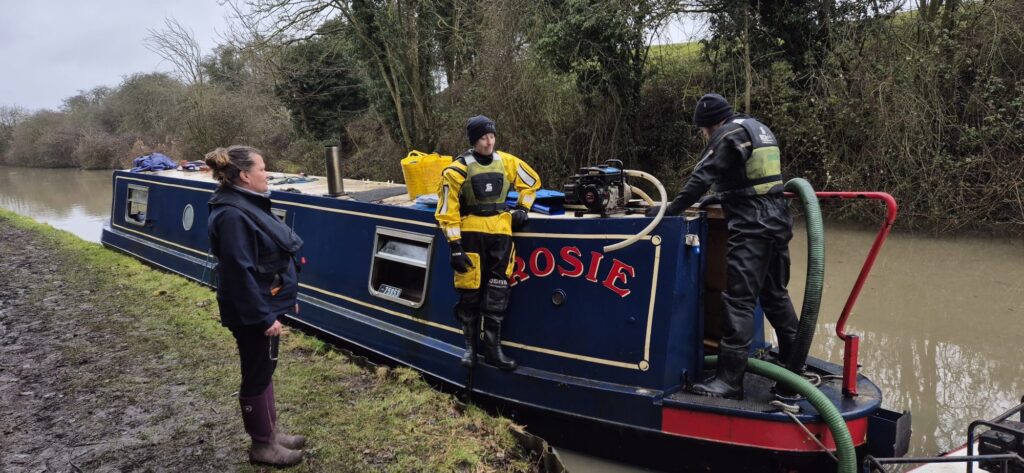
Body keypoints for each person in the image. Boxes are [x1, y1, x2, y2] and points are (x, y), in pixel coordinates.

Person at [647, 94, 799, 400]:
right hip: (777, 220)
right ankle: (793, 368)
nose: (705, 135)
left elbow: (700, 177)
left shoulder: (726, 134)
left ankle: (729, 381)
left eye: (703, 130)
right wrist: (721, 196)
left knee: (739, 300)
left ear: (709, 124)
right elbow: (756, 178)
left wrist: (670, 211)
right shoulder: (757, 128)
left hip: (752, 224)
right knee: (775, 295)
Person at [205, 146, 306, 466]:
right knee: (256, 373)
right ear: (245, 175)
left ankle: (270, 433)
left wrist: (283, 301)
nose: (267, 173)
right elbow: (238, 272)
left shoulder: (244, 203)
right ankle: (262, 445)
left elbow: (265, 259)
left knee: (265, 369)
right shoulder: (233, 214)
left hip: (264, 302)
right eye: (263, 168)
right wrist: (264, 316)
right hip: (252, 311)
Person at [435, 115, 541, 372]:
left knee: (498, 291)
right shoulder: (457, 169)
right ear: (474, 140)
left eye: (492, 136)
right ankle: (470, 349)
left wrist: (522, 208)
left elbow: (532, 182)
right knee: (469, 293)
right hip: (471, 235)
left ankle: (494, 351)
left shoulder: (506, 161)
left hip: (501, 233)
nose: (489, 141)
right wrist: (455, 246)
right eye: (483, 137)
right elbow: (447, 208)